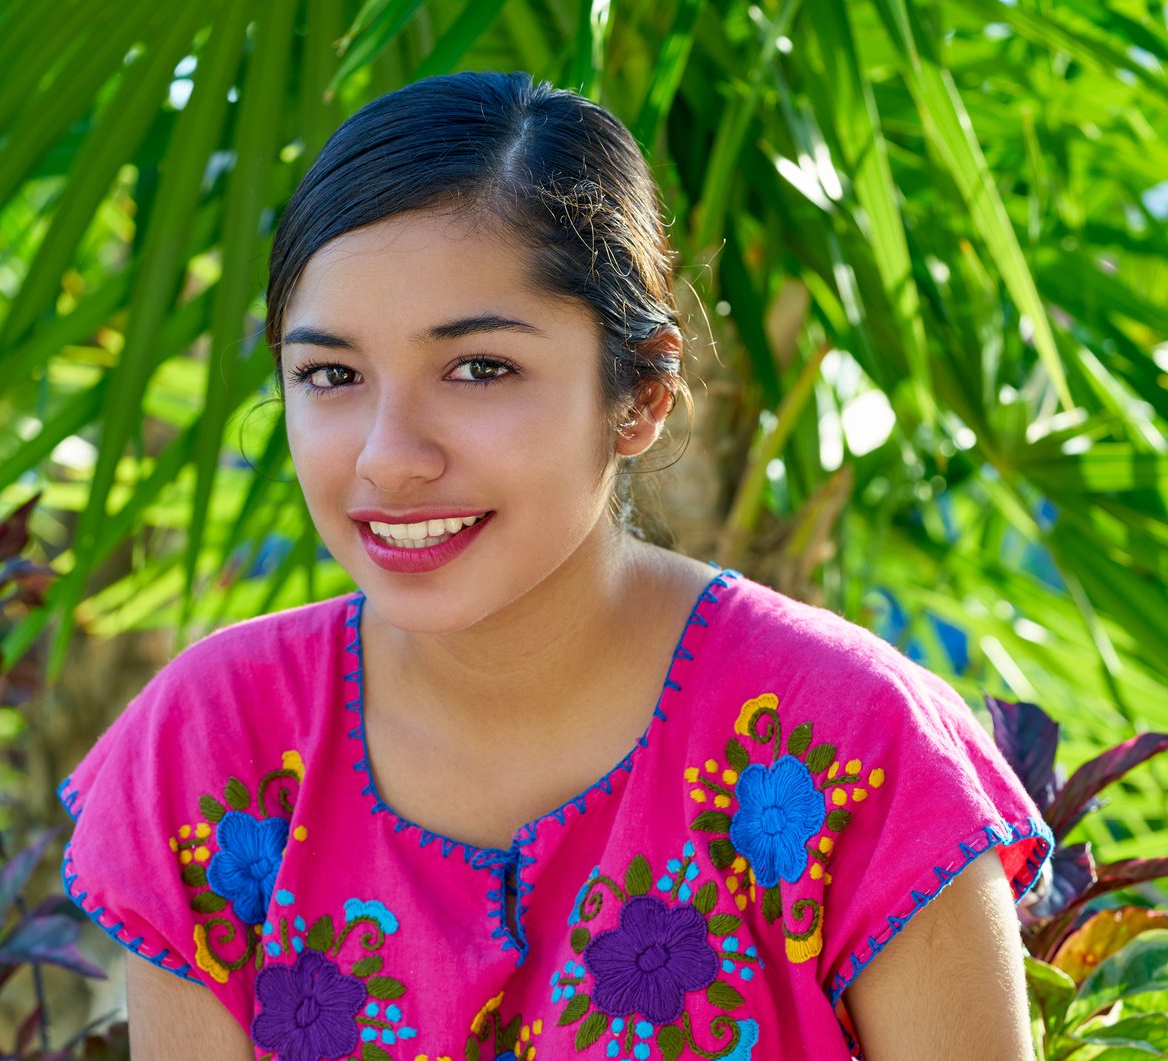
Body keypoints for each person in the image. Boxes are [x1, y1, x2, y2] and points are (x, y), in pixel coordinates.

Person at [59, 71, 1051, 1060]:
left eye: (478, 368)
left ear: (642, 392)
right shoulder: (212, 747)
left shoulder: (856, 744)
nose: (387, 455)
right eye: (331, 375)